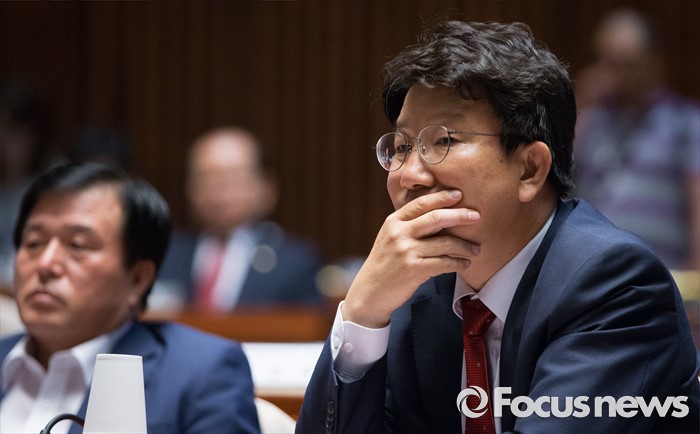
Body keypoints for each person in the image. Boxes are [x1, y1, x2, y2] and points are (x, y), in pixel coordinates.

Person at [296, 20, 699, 434]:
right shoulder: (408, 292)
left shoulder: (614, 284)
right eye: (402, 147)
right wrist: (362, 313)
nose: (410, 175)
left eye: (444, 141)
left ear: (530, 169)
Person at [0, 162, 260, 433]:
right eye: (33, 243)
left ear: (137, 279)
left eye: (77, 245)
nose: (45, 264)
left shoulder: (201, 373)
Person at [573, 8, 700, 271]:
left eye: (624, 64)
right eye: (606, 61)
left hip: (660, 276)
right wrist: (578, 107)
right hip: (591, 270)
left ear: (653, 63)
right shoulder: (592, 118)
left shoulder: (685, 121)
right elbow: (558, 181)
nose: (611, 74)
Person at [153, 127, 324, 312]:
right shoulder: (162, 254)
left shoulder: (296, 263)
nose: (218, 192)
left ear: (266, 188)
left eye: (232, 178)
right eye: (205, 178)